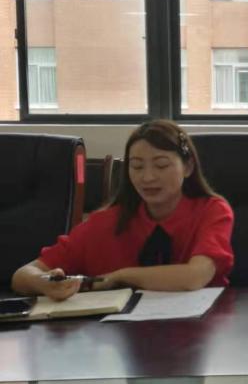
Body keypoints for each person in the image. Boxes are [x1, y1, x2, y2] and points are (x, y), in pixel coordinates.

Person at [11, 120, 234, 300]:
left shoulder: (211, 211)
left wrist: (121, 276)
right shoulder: (106, 221)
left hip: (203, 329)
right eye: (136, 166)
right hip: (123, 335)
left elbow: (195, 276)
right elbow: (22, 276)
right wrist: (44, 283)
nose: (147, 177)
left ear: (188, 167)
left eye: (161, 165)